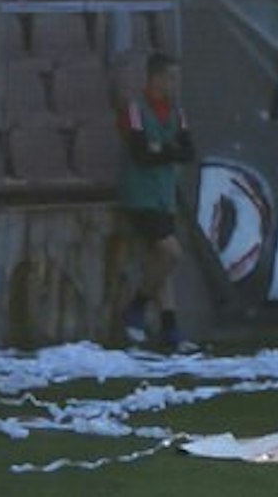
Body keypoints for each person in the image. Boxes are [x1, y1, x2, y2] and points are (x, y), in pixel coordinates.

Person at [111, 51, 196, 349]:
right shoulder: (136, 109)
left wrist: (162, 148)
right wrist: (166, 150)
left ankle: (170, 327)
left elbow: (188, 152)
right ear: (156, 77)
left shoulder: (176, 112)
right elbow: (141, 154)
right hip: (141, 195)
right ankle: (136, 307)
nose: (175, 84)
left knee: (159, 262)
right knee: (170, 253)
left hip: (164, 196)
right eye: (171, 77)